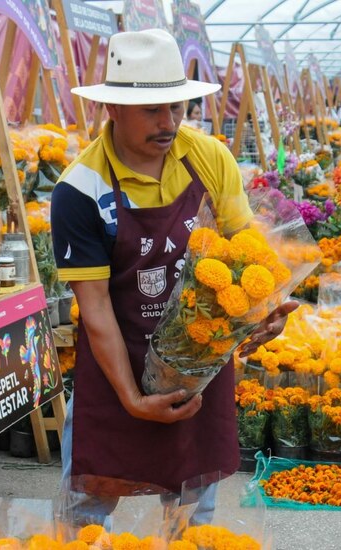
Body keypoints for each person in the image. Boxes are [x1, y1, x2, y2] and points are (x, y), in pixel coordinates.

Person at [50, 29, 296, 527]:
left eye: (177, 107)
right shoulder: (80, 189)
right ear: (112, 109)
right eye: (152, 111)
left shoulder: (208, 158)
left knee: (192, 507)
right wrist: (133, 398)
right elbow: (95, 307)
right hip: (116, 356)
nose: (169, 123)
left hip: (200, 360)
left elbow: (244, 255)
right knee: (87, 506)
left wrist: (262, 311)